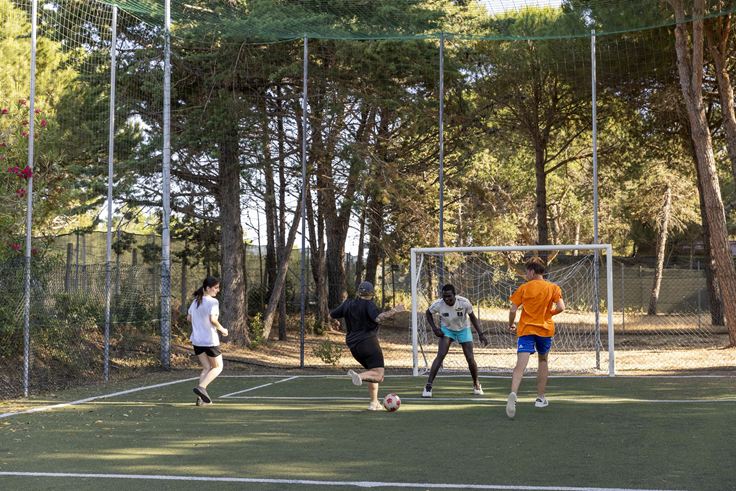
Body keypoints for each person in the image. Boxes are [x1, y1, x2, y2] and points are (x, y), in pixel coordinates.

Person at [505, 257, 565, 419]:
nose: (526, 275)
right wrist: (549, 313)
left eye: (526, 272)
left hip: (526, 330)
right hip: (545, 330)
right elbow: (561, 307)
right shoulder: (553, 287)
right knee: (543, 360)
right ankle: (540, 398)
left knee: (520, 364)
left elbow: (513, 309)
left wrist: (511, 324)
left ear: (532, 271)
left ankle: (513, 393)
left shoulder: (524, 288)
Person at [330, 281, 395, 411]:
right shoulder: (369, 304)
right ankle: (359, 376)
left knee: (372, 372)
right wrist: (394, 310)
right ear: (371, 294)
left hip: (353, 346)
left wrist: (335, 322)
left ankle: (374, 403)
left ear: (359, 292)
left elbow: (331, 315)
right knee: (379, 375)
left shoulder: (348, 303)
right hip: (368, 343)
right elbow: (378, 318)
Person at [422, 284, 488, 398]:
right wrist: (434, 328)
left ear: (454, 295)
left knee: (470, 358)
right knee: (441, 355)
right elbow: (428, 313)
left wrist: (480, 334)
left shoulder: (464, 302)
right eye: (444, 296)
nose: (447, 299)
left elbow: (472, 317)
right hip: (447, 330)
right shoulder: (438, 304)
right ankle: (428, 386)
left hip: (463, 329)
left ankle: (476, 384)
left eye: (449, 296)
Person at [187, 276, 228, 406]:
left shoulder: (195, 301)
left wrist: (199, 323)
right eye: (216, 288)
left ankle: (201, 399)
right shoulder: (213, 302)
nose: (218, 290)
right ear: (208, 288)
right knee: (218, 367)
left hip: (197, 341)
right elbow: (213, 320)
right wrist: (223, 330)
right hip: (209, 341)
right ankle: (202, 387)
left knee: (206, 367)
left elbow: (189, 318)